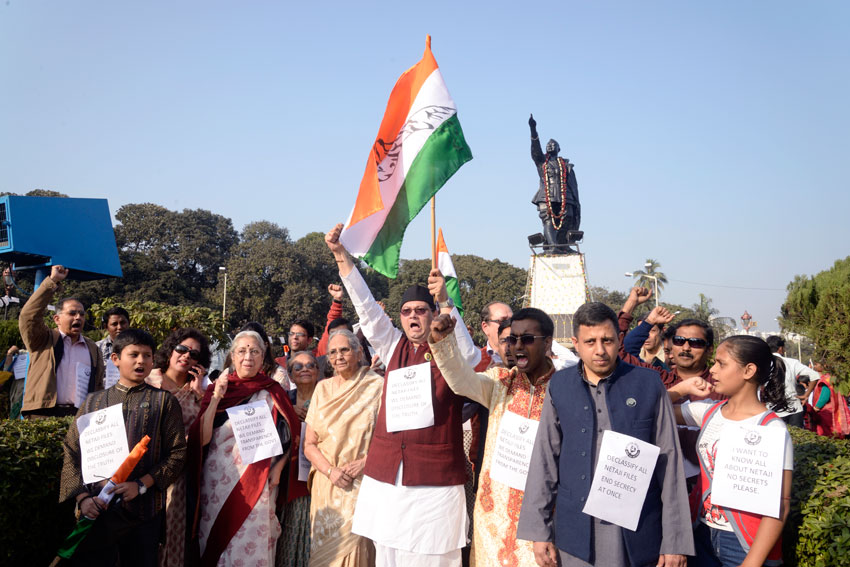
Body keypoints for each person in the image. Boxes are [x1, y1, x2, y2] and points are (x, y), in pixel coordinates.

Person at [326, 223, 481, 567]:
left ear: (432, 315)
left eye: (421, 310)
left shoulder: (450, 349)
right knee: (388, 557)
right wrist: (341, 256)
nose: (413, 316)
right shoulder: (392, 344)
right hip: (386, 477)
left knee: (433, 557)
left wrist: (446, 303)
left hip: (434, 482)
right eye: (407, 311)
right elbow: (366, 306)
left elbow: (470, 358)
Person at [516, 302, 693, 567]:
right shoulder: (560, 386)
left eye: (607, 340)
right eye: (590, 342)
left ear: (619, 340)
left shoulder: (648, 384)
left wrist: (675, 540)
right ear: (576, 343)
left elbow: (669, 464)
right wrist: (539, 530)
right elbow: (544, 460)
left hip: (637, 530)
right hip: (575, 531)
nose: (600, 350)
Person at [431, 307, 558, 566]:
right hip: (494, 518)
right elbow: (462, 380)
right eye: (512, 339)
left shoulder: (564, 390)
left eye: (527, 339)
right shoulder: (500, 382)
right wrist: (443, 342)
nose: (517, 346)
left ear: (547, 343)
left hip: (539, 519)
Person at [59, 329, 187, 567]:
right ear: (115, 359)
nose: (141, 361)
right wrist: (83, 498)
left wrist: (141, 485)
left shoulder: (164, 402)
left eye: (147, 356)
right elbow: (72, 451)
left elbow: (178, 453)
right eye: (134, 355)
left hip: (144, 512)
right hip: (97, 508)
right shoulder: (93, 402)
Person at [669, 335, 794, 567]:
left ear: (748, 370)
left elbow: (780, 504)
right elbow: (656, 409)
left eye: (721, 363)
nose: (712, 370)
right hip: (701, 534)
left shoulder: (771, 428)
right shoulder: (708, 412)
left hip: (744, 544)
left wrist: (752, 562)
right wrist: (682, 388)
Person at [187, 330, 300, 566]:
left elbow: (292, 434)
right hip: (218, 479)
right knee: (217, 538)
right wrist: (216, 398)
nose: (248, 356)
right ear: (232, 356)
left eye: (254, 351)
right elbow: (202, 439)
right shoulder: (218, 389)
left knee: (253, 538)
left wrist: (279, 467)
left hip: (260, 479)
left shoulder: (273, 390)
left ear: (263, 357)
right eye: (242, 351)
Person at [304, 329, 384, 566]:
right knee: (325, 556)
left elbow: (390, 439)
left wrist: (365, 463)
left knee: (358, 551)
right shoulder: (322, 389)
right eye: (333, 352)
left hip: (361, 482)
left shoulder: (377, 386)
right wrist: (330, 471)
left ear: (359, 353)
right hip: (327, 484)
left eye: (344, 350)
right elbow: (309, 444)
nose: (338, 356)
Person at [145, 328, 211, 567]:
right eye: (182, 349)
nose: (186, 356)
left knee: (174, 528)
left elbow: (207, 432)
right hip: (147, 467)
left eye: (194, 354)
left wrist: (201, 395)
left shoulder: (198, 392)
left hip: (181, 473)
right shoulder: (149, 382)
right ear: (171, 349)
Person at [18, 265, 105, 418]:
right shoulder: (43, 339)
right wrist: (52, 281)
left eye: (82, 314)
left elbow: (98, 385)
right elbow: (28, 316)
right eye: (72, 313)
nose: (78, 317)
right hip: (43, 414)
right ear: (57, 319)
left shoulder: (92, 348)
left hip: (80, 416)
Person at [277, 350, 320, 567]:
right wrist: (287, 411)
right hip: (289, 475)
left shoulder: (328, 397)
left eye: (310, 365)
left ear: (318, 371)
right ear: (291, 376)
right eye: (298, 367)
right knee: (290, 526)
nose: (305, 370)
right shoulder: (284, 400)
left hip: (319, 473)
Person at [528, 114, 580, 252]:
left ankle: (563, 245)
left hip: (565, 197)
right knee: (548, 221)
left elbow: (573, 185)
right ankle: (552, 246)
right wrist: (533, 129)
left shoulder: (566, 165)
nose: (550, 145)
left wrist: (575, 202)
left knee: (568, 218)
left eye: (553, 145)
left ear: (559, 149)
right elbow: (535, 149)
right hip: (546, 197)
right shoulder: (542, 162)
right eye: (548, 145)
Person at [765, 336, 820, 428]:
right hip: (794, 408)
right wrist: (806, 395)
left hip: (771, 409)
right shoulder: (792, 362)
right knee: (796, 436)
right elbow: (815, 375)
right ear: (780, 348)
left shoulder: (763, 364)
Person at [808, 361, 850, 438]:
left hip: (826, 413)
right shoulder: (833, 378)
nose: (814, 366)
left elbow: (825, 396)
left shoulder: (826, 379)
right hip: (835, 409)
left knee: (827, 434)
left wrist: (816, 408)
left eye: (816, 364)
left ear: (824, 365)